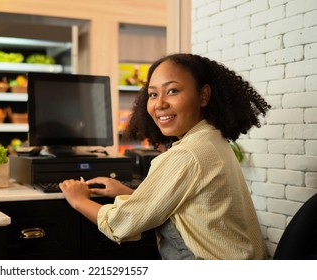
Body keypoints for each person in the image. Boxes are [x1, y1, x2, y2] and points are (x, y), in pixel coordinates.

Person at [59, 53, 271, 260]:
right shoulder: (212, 141)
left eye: (172, 91)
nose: (159, 104)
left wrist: (78, 200)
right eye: (153, 94)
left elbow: (121, 224)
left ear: (203, 96)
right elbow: (188, 206)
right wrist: (128, 192)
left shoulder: (186, 155)